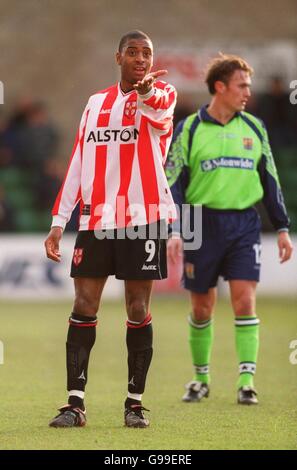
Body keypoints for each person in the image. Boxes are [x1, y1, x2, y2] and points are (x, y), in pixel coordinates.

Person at [44, 30, 177, 428]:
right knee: (84, 306)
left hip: (142, 219)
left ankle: (134, 404)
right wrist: (57, 222)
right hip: (96, 220)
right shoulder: (95, 103)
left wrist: (148, 91)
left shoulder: (163, 95)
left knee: (138, 308)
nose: (141, 59)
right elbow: (78, 161)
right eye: (133, 52)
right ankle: (75, 404)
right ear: (118, 57)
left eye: (147, 53)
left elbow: (156, 106)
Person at [166, 53, 293, 405]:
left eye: (248, 86)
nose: (247, 93)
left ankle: (246, 381)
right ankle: (200, 379)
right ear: (220, 87)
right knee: (202, 307)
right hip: (199, 221)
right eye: (242, 86)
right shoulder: (189, 129)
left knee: (244, 300)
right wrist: (176, 229)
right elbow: (173, 181)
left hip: (243, 223)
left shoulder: (254, 127)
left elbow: (270, 178)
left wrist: (282, 227)